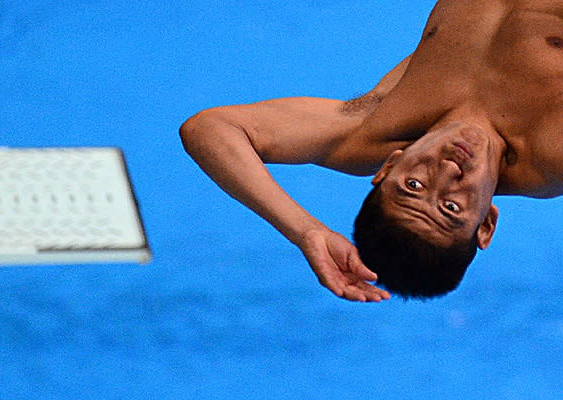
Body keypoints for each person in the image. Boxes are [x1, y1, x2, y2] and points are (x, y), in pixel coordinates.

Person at [180, 0, 563, 302]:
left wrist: (306, 231)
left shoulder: (378, 124)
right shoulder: (553, 156)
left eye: (413, 185)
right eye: (451, 208)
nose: (446, 171)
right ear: (486, 224)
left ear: (387, 169)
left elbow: (210, 129)